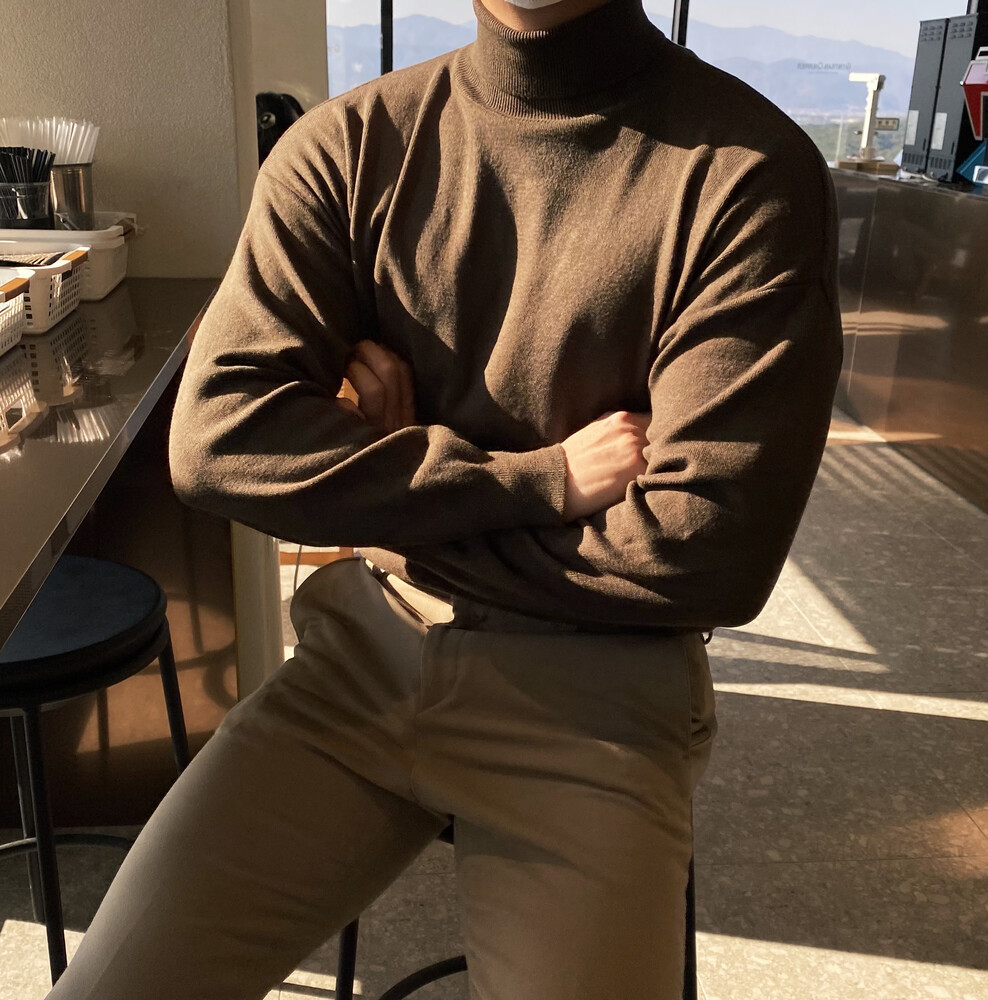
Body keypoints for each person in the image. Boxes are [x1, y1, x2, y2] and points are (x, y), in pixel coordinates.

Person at [47, 0, 842, 997]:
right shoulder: (345, 147)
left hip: (596, 693)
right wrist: (538, 481)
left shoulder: (746, 173)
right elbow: (217, 446)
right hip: (362, 660)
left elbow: (701, 555)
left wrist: (381, 492)